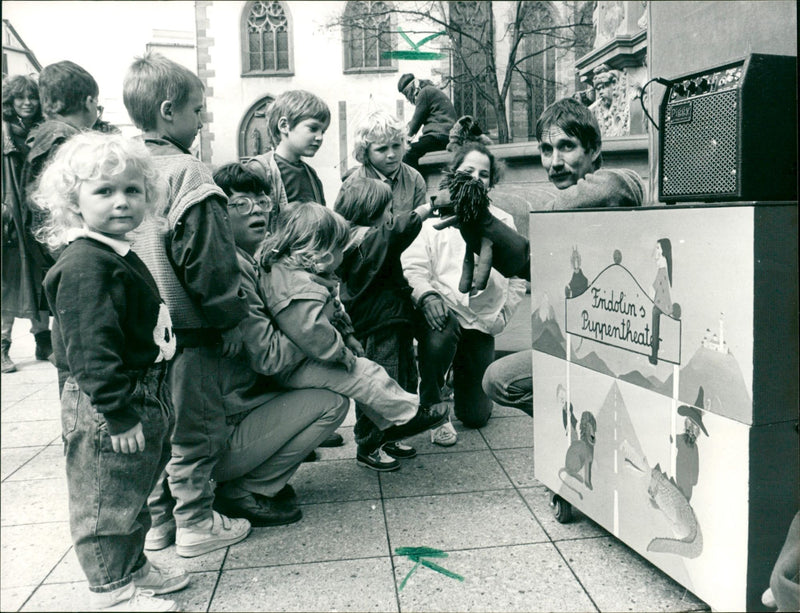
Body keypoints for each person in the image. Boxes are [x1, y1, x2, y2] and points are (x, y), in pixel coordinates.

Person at [35, 132, 187, 612]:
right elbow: (90, 350)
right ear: (73, 202)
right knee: (106, 501)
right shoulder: (85, 264)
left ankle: (132, 565)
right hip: (111, 402)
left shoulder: (112, 251)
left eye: (132, 190)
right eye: (104, 191)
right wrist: (118, 414)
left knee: (134, 490)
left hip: (140, 392)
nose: (121, 201)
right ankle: (111, 589)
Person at [123, 52, 252, 558]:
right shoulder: (190, 175)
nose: (202, 122)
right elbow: (211, 264)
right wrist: (230, 318)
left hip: (138, 335)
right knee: (194, 429)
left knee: (156, 429)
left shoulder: (124, 169)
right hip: (187, 331)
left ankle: (158, 524)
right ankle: (196, 522)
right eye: (198, 111)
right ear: (169, 109)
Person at [187, 162, 348, 527]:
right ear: (218, 214)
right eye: (240, 204)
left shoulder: (255, 260)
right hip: (223, 433)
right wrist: (313, 330)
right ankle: (247, 489)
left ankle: (255, 479)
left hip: (231, 417)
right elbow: (270, 357)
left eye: (262, 202)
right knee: (332, 403)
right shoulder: (234, 268)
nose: (257, 210)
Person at [480, 97, 644, 415]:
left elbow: (623, 184)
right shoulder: (564, 214)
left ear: (594, 150)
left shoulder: (614, 185)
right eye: (546, 149)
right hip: (580, 341)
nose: (554, 161)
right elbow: (534, 268)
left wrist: (548, 214)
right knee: (497, 380)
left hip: (623, 346)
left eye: (566, 147)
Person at [260, 201, 450, 459]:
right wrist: (341, 352)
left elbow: (334, 311)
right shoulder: (298, 285)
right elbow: (312, 332)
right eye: (340, 248)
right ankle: (407, 416)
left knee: (365, 382)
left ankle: (392, 422)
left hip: (304, 359)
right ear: (323, 252)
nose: (343, 254)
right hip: (299, 365)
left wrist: (348, 336)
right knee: (363, 374)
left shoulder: (305, 275)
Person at [401, 142, 528, 445]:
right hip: (443, 314)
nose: (475, 178)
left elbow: (517, 278)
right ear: (453, 173)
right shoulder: (434, 219)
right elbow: (413, 267)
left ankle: (459, 378)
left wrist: (500, 318)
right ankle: (433, 403)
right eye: (468, 171)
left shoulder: (502, 221)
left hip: (482, 321)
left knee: (475, 416)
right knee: (442, 335)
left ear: (491, 181)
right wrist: (428, 296)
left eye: (483, 174)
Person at [334, 177, 440, 470]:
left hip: (393, 320)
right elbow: (397, 231)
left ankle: (390, 434)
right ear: (369, 211)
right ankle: (368, 444)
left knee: (402, 377)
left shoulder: (367, 239)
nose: (391, 215)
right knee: (382, 381)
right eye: (387, 209)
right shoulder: (364, 240)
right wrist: (428, 208)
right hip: (379, 325)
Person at [2, 74, 44, 373]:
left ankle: (44, 340)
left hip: (36, 213)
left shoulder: (40, 131)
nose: (28, 102)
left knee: (38, 279)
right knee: (9, 284)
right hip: (10, 216)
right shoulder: (5, 133)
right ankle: (2, 347)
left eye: (32, 97)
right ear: (10, 101)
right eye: (21, 98)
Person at [246, 89, 330, 229]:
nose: (319, 137)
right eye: (313, 128)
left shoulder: (311, 174)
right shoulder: (259, 170)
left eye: (323, 131)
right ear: (284, 126)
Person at [342, 110, 427, 219]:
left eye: (396, 146)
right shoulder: (352, 184)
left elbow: (420, 224)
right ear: (365, 151)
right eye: (382, 149)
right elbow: (346, 229)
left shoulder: (415, 179)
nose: (391, 154)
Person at [397, 73, 457, 171]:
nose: (408, 98)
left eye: (406, 94)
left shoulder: (424, 93)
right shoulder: (429, 90)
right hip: (444, 136)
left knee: (407, 153)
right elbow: (415, 120)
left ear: (411, 89)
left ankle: (415, 185)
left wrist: (400, 142)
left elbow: (414, 126)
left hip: (439, 136)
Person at [650, 238, 673, 365]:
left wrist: (652, 288)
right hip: (661, 298)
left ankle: (654, 353)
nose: (656, 250)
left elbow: (660, 279)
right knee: (654, 315)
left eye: (658, 247)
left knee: (655, 314)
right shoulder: (662, 262)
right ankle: (654, 352)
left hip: (662, 300)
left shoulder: (663, 262)